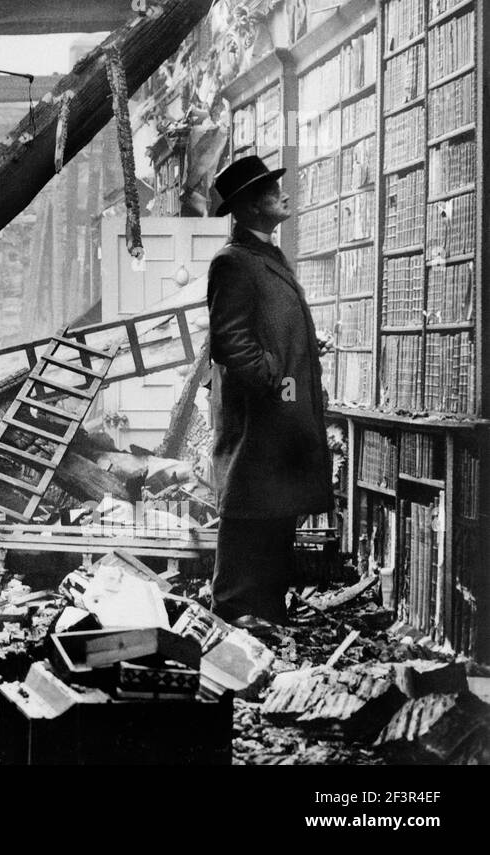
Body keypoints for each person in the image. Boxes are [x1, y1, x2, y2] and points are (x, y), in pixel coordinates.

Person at [206, 155, 332, 634]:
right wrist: (274, 377)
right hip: (259, 419)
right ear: (248, 207)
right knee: (246, 521)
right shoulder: (232, 262)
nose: (282, 194)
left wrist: (296, 347)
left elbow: (264, 328)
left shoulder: (265, 257)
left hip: (277, 421)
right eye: (269, 189)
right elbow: (231, 342)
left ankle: (267, 626)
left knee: (274, 518)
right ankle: (234, 627)